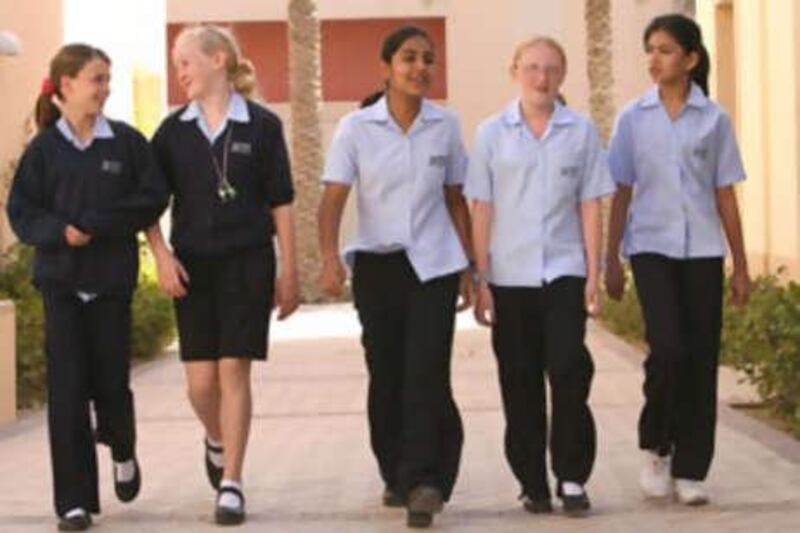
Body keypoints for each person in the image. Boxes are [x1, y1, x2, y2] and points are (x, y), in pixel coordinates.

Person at [317, 25, 474, 529]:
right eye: (409, 58)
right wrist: (327, 259)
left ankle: (425, 481)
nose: (420, 68)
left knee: (427, 371)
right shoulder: (356, 128)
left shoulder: (445, 126)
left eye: (428, 59)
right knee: (387, 374)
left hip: (434, 265)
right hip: (379, 267)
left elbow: (455, 199)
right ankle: (396, 469)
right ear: (386, 68)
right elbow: (333, 199)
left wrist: (471, 267)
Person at [7, 43, 168, 531]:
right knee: (68, 392)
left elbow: (153, 196)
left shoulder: (125, 142)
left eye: (107, 79)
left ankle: (122, 446)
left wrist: (98, 223)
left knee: (111, 384)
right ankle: (74, 502)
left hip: (110, 286)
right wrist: (61, 233)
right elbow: (22, 212)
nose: (105, 88)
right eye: (96, 79)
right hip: (60, 287)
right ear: (66, 86)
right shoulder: (43, 150)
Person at [146, 24, 299, 525]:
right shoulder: (172, 132)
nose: (180, 73)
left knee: (234, 369)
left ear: (216, 60)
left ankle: (231, 480)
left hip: (248, 261)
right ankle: (216, 437)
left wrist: (290, 268)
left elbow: (281, 202)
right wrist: (162, 257)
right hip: (193, 266)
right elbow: (149, 203)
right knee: (200, 385)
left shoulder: (261, 125)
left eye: (185, 62)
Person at [465, 36, 615, 518]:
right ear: (515, 72)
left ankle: (572, 475)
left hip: (565, 271)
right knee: (520, 380)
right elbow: (481, 208)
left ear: (563, 74)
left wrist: (593, 272)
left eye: (551, 68)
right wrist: (480, 276)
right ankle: (533, 481)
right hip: (509, 276)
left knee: (570, 371)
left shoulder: (581, 131)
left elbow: (590, 204)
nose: (541, 77)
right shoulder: (492, 134)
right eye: (532, 67)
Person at [605, 13, 750, 506]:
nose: (654, 58)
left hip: (704, 251)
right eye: (650, 49)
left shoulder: (714, 120)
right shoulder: (632, 118)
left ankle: (692, 469)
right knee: (667, 350)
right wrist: (610, 259)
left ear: (690, 59)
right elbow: (621, 192)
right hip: (650, 247)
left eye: (665, 49)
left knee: (700, 357)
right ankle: (657, 447)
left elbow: (725, 194)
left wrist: (742, 266)